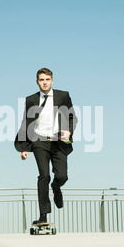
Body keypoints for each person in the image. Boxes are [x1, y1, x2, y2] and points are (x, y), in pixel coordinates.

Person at [15, 68, 78, 224]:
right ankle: (43, 215)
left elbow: (72, 118)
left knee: (62, 176)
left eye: (47, 79)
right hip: (39, 141)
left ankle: (56, 188)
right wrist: (24, 147)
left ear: (52, 80)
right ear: (37, 82)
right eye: (41, 80)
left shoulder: (63, 96)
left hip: (59, 141)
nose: (44, 83)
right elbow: (26, 123)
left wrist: (69, 132)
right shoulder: (31, 100)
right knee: (44, 175)